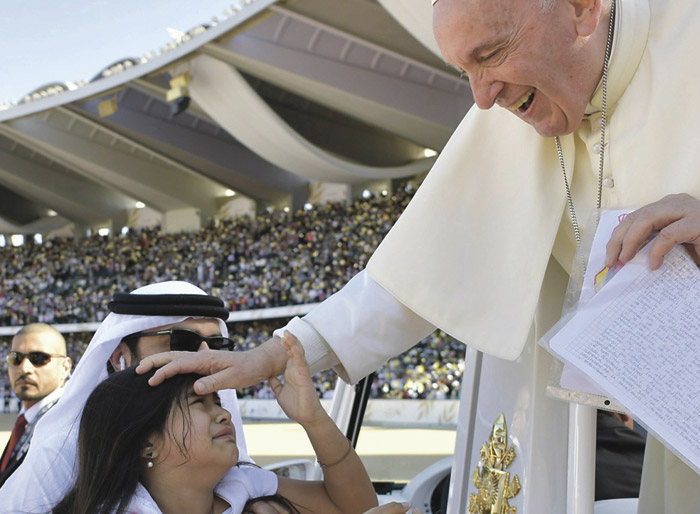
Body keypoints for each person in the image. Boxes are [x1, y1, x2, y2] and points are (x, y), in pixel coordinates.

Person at [139, 0, 700, 512]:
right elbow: (414, 275)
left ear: (582, 10)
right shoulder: (509, 111)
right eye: (465, 72)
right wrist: (279, 351)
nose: (482, 98)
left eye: (492, 55)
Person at [0, 281, 279, 513]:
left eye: (217, 346)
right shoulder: (61, 451)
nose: (205, 360)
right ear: (121, 358)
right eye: (182, 342)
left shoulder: (225, 452)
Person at [52, 333, 378, 514]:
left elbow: (354, 507)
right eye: (199, 403)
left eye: (218, 402)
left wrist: (314, 420)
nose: (224, 415)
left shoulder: (240, 486)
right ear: (146, 442)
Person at [0, 323, 71, 487]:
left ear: (65, 367)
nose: (24, 369)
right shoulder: (25, 419)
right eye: (15, 358)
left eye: (39, 358)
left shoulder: (71, 426)